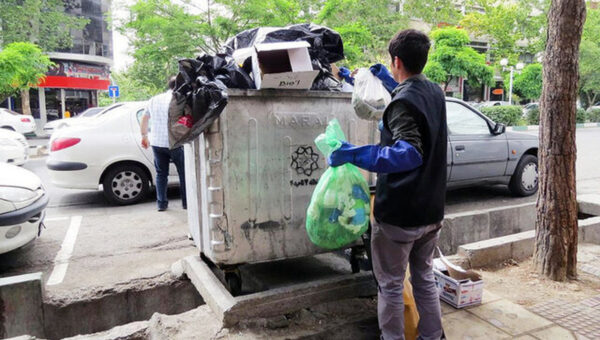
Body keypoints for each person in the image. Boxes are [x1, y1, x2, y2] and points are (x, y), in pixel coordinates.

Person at [328, 29, 447, 340]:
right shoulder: (435, 91)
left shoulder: (402, 103)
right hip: (431, 212)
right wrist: (381, 81)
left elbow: (409, 153)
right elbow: (412, 104)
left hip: (400, 214)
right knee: (423, 277)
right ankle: (433, 336)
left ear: (396, 60)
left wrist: (352, 154)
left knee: (391, 284)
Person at [140, 77, 187, 211]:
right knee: (183, 173)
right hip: (175, 143)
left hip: (157, 143)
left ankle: (161, 204)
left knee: (161, 174)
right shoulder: (179, 99)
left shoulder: (154, 100)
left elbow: (145, 118)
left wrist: (144, 136)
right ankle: (186, 203)